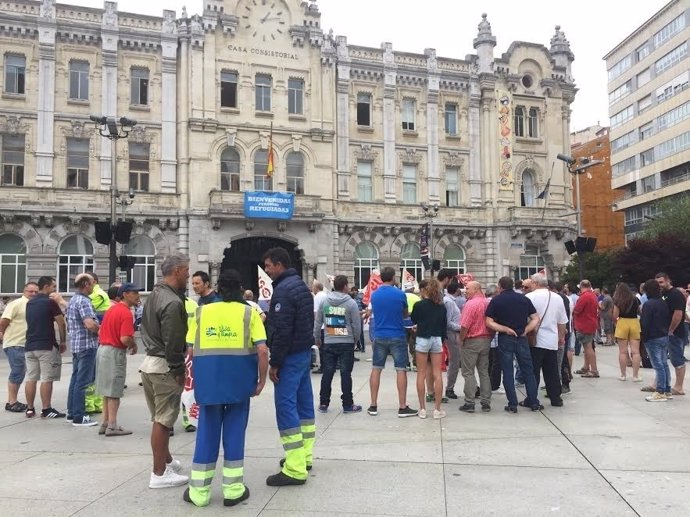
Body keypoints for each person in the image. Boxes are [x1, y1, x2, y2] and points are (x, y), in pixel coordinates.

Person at [183, 269, 268, 508]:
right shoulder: (248, 313)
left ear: (218, 289)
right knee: (234, 434)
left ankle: (199, 492)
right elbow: (262, 350)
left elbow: (190, 350)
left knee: (207, 434)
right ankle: (233, 490)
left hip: (209, 384)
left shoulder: (201, 313)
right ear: (241, 290)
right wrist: (261, 381)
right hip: (240, 384)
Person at [263, 247, 315, 486]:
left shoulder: (283, 291)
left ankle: (294, 469)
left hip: (290, 357)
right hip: (303, 353)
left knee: (286, 409)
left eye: (269, 265)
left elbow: (282, 331)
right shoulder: (302, 286)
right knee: (304, 407)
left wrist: (275, 363)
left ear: (279, 264)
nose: (267, 270)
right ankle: (304, 456)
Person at [140, 254, 190, 489]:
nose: (189, 275)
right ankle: (159, 473)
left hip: (150, 363)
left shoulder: (154, 295)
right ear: (178, 271)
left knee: (160, 418)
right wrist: (179, 368)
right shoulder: (173, 302)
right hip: (164, 366)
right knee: (164, 421)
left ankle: (166, 461)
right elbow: (173, 340)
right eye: (187, 270)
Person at [485, 277, 540, 413]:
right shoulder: (524, 299)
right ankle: (533, 401)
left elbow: (489, 321)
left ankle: (513, 403)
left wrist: (504, 329)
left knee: (508, 371)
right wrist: (526, 330)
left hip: (506, 337)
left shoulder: (496, 300)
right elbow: (535, 318)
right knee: (528, 370)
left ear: (500, 286)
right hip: (522, 337)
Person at [367, 266, 417, 418]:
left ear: (381, 277)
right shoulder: (400, 294)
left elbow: (374, 311)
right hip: (397, 334)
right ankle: (402, 406)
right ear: (393, 277)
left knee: (376, 368)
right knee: (401, 369)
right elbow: (404, 313)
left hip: (380, 334)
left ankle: (373, 404)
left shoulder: (374, 295)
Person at [96, 282, 142, 436]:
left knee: (106, 390)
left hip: (103, 350)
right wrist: (133, 344)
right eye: (134, 293)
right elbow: (124, 338)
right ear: (125, 294)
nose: (138, 296)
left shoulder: (112, 309)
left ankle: (105, 422)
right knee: (115, 390)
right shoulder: (126, 312)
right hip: (115, 352)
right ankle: (113, 425)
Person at [314, 274, 363, 413]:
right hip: (346, 342)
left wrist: (317, 338)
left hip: (329, 341)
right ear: (345, 286)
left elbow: (317, 322)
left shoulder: (325, 302)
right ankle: (347, 404)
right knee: (346, 374)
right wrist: (355, 339)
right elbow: (356, 324)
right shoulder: (351, 303)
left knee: (327, 373)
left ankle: (324, 403)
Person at [24, 276, 66, 419]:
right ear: (46, 286)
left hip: (30, 345)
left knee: (31, 377)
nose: (55, 289)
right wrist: (63, 341)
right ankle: (46, 409)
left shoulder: (30, 303)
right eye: (53, 286)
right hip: (46, 345)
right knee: (47, 378)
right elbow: (61, 323)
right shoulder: (51, 303)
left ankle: (29, 408)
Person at [525, 275, 567, 407]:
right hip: (551, 339)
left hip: (534, 338)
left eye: (531, 282)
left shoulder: (530, 297)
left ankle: (531, 397)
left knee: (533, 371)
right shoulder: (557, 297)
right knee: (552, 370)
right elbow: (562, 321)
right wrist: (561, 337)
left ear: (536, 283)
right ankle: (556, 397)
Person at [66, 274, 101, 427]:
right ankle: (80, 416)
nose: (94, 286)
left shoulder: (73, 299)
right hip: (87, 346)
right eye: (92, 283)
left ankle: (72, 412)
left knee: (75, 380)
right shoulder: (84, 301)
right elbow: (90, 324)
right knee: (83, 382)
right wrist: (101, 329)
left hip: (76, 345)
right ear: (86, 284)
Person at [411, 278, 447, 419]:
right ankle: (437, 409)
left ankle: (422, 409)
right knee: (437, 374)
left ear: (424, 290)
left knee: (421, 373)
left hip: (423, 338)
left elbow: (414, 319)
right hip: (437, 338)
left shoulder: (419, 305)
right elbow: (443, 325)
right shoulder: (441, 306)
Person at [0, 282, 38, 412]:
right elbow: (4, 320)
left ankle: (12, 400)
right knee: (17, 372)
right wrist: (2, 333)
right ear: (24, 291)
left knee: (20, 372)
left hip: (26, 344)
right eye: (30, 291)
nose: (33, 294)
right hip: (15, 343)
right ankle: (12, 402)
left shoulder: (33, 305)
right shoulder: (16, 304)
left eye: (35, 292)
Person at [458, 281, 492, 413]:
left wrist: (461, 339)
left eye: (467, 288)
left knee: (468, 372)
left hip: (472, 340)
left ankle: (470, 402)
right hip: (486, 339)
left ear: (476, 289)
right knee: (484, 372)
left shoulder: (470, 304)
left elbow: (465, 325)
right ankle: (486, 401)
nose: (465, 291)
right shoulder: (487, 303)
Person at [655, 272, 688, 396]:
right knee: (661, 360)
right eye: (657, 283)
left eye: (661, 282)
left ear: (668, 280)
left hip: (675, 333)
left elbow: (678, 313)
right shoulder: (663, 294)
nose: (660, 285)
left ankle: (679, 387)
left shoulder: (675, 294)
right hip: (664, 332)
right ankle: (658, 384)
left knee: (677, 359)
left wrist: (671, 330)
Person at [640, 279, 672, 402]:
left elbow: (645, 323)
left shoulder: (649, 304)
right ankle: (667, 389)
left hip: (653, 337)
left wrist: (644, 337)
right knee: (663, 363)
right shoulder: (663, 302)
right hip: (663, 335)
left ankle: (660, 391)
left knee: (658, 365)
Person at [613, 283, 642, 382]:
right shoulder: (635, 299)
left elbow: (615, 315)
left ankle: (623, 375)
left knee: (622, 351)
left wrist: (616, 322)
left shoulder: (618, 300)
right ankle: (635, 376)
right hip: (634, 322)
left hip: (622, 322)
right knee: (636, 351)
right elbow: (639, 311)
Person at [573, 280, 599, 378]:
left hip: (584, 324)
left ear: (581, 286)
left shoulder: (584, 296)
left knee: (588, 347)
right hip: (591, 323)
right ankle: (586, 367)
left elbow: (577, 310)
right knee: (588, 346)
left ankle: (594, 370)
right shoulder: (593, 295)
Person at [444, 280, 462, 400]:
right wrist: (462, 328)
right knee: (454, 361)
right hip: (452, 334)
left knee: (456, 361)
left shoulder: (450, 301)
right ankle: (450, 388)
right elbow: (448, 322)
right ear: (457, 290)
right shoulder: (449, 302)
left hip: (454, 333)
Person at [311, 280, 328, 374]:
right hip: (328, 324)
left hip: (321, 326)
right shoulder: (326, 295)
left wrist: (315, 326)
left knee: (321, 347)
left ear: (316, 288)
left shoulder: (317, 297)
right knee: (327, 347)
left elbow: (316, 313)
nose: (312, 289)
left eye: (313, 287)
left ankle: (323, 367)